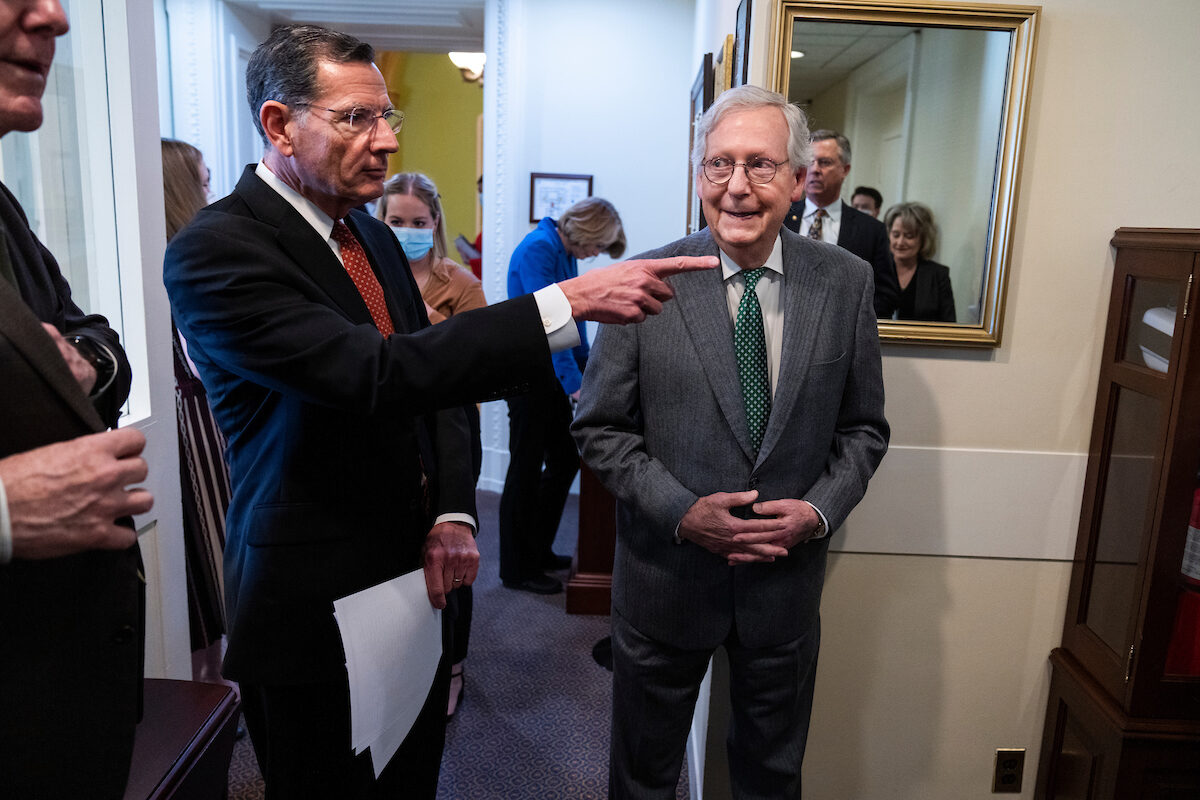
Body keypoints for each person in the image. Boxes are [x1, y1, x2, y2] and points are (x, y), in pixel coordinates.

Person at [162, 23, 714, 798]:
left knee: (413, 776)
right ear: (279, 125)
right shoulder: (218, 249)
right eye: (358, 118)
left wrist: (454, 510)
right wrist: (563, 302)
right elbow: (379, 374)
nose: (385, 141)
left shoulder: (374, 239)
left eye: (389, 117)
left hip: (416, 584)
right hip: (312, 602)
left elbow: (437, 391)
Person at [572, 85, 889, 798]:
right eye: (719, 165)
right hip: (664, 586)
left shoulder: (846, 283)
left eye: (760, 165)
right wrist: (683, 511)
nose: (737, 188)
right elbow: (598, 429)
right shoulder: (645, 281)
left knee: (770, 781)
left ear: (800, 180)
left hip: (783, 594)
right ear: (699, 176)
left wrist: (818, 512)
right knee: (642, 780)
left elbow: (864, 429)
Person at [0, 2, 151, 797]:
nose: (55, 16)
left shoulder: (2, 205)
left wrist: (87, 363)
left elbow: (96, 337)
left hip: (61, 705)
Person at [377, 170, 485, 716]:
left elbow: (478, 365)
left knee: (452, 543)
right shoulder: (365, 280)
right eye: (396, 222)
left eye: (417, 223)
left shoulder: (459, 284)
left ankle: (454, 666)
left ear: (435, 224)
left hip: (452, 430)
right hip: (391, 429)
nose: (406, 231)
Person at [500, 197, 626, 595]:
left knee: (563, 462)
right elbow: (551, 325)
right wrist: (576, 384)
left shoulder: (562, 250)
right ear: (585, 232)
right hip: (529, 375)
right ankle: (517, 568)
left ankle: (537, 550)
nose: (593, 255)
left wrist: (589, 372)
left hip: (548, 375)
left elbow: (576, 321)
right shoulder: (541, 249)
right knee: (524, 468)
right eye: (596, 246)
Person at [162, 138, 231, 657]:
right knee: (211, 554)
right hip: (195, 422)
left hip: (193, 415)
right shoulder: (189, 261)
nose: (211, 191)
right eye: (204, 181)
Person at [783, 130, 899, 318]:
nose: (815, 169)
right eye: (810, 162)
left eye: (825, 162)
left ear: (845, 170)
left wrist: (850, 325)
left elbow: (886, 295)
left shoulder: (871, 230)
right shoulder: (782, 217)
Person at [885, 201, 956, 322]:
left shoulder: (938, 275)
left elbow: (949, 326)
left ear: (923, 238)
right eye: (896, 235)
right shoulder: (875, 270)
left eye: (909, 236)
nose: (900, 242)